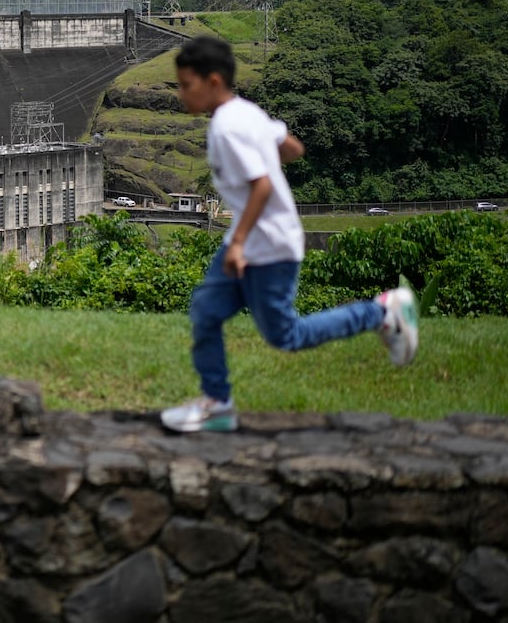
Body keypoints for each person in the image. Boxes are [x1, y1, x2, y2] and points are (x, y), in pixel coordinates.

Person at [161, 36, 418, 433]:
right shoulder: (247, 112)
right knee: (206, 311)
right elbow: (293, 148)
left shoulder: (227, 128)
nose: (180, 95)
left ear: (213, 81)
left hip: (268, 246)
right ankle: (218, 405)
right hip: (251, 238)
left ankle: (383, 313)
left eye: (186, 85)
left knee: (286, 335)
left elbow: (262, 186)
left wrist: (241, 242)